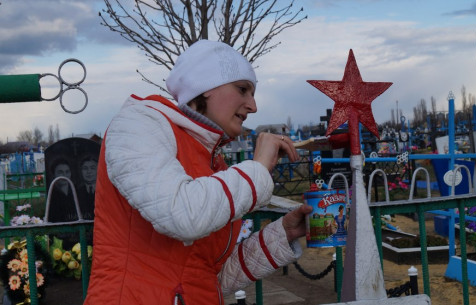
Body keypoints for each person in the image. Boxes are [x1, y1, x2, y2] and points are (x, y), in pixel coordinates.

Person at [84, 40, 313, 305]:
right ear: (205, 88)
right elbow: (182, 215)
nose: (253, 105)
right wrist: (257, 168)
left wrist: (282, 234)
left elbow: (205, 273)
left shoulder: (212, 163)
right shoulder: (138, 123)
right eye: (242, 90)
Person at [47, 158, 77, 223]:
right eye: (60, 172)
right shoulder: (52, 194)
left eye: (67, 172)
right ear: (54, 174)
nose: (64, 175)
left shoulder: (77, 191)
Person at [76, 156, 98, 220]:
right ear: (81, 171)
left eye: (92, 168)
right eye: (85, 168)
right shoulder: (76, 192)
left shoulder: (105, 191)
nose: (89, 172)